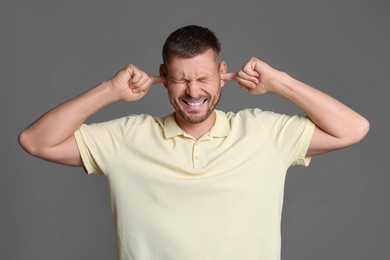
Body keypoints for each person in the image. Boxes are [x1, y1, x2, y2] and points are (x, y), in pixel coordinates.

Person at [19, 25, 369, 260]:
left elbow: (353, 128)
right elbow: (35, 141)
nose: (193, 92)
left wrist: (279, 82)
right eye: (180, 80)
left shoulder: (264, 131)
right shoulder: (126, 138)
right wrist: (109, 91)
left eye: (203, 77)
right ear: (164, 78)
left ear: (222, 75)